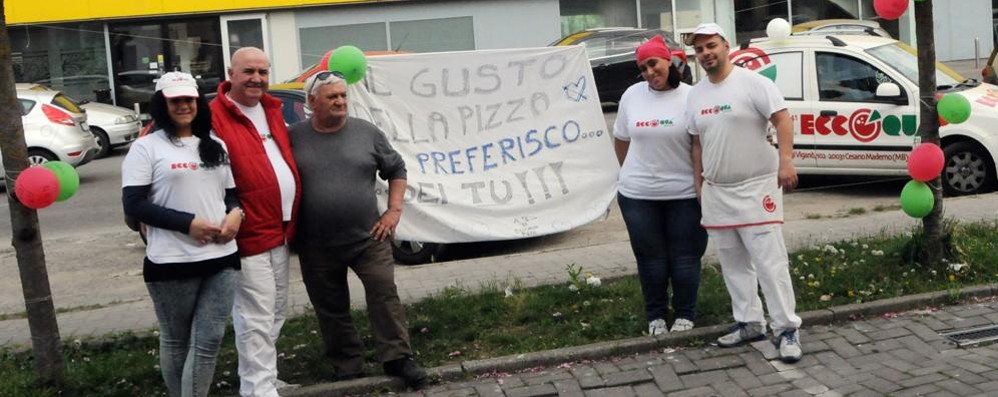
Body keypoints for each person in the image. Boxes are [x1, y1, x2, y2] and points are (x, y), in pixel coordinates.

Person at [288, 71, 428, 387]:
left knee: (383, 292)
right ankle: (347, 365)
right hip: (315, 243)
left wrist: (393, 211)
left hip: (369, 237)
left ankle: (398, 359)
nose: (340, 102)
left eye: (343, 96)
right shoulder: (293, 137)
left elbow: (397, 169)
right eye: (332, 97)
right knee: (329, 305)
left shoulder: (366, 133)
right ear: (312, 101)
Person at [685, 23, 803, 363]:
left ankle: (786, 329)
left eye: (711, 46)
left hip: (757, 187)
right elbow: (696, 142)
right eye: (699, 49)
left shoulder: (754, 83)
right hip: (718, 191)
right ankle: (750, 321)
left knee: (769, 262)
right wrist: (699, 182)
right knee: (733, 262)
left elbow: (782, 119)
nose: (706, 53)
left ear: (725, 45)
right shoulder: (696, 94)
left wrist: (786, 161)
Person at [121, 71, 242, 396]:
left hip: (223, 258)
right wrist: (188, 223)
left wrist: (236, 215)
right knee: (177, 339)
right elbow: (134, 204)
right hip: (172, 261)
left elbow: (231, 194)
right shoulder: (146, 148)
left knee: (210, 339)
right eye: (175, 100)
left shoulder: (215, 144)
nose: (183, 105)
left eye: (189, 99)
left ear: (198, 103)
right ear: (162, 104)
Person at [209, 47, 302, 397]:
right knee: (255, 317)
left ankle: (261, 378)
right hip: (247, 233)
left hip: (280, 230)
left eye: (263, 72)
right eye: (248, 71)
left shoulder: (271, 109)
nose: (257, 79)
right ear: (230, 74)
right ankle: (257, 390)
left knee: (275, 311)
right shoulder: (213, 115)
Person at [612, 35, 708, 337]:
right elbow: (622, 140)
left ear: (668, 60)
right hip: (638, 195)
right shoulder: (632, 95)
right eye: (643, 67)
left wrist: (701, 186)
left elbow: (700, 145)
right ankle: (655, 316)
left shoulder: (692, 96)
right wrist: (631, 171)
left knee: (685, 256)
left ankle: (684, 314)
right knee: (650, 258)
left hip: (684, 194)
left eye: (653, 63)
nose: (649, 72)